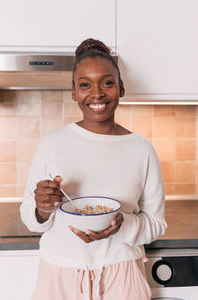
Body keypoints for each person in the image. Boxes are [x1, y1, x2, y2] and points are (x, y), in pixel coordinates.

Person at [20, 38, 167, 300]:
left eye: (107, 83)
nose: (97, 93)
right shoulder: (52, 144)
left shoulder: (142, 150)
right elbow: (31, 221)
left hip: (123, 276)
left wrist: (123, 224)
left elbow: (155, 223)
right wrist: (41, 209)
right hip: (59, 275)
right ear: (74, 92)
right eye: (85, 85)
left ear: (121, 88)